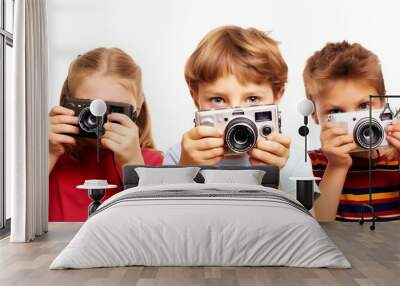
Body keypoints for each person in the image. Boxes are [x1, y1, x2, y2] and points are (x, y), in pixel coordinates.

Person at [164, 25, 316, 197]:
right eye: (218, 100)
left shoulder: (295, 159)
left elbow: (308, 221)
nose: (237, 118)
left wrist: (273, 176)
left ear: (277, 95)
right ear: (195, 98)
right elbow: (170, 221)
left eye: (252, 99)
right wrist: (186, 171)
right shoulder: (178, 156)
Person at [49, 47, 163, 222]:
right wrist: (43, 155)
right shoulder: (52, 160)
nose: (100, 121)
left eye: (115, 109)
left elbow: (159, 228)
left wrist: (133, 164)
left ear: (136, 109)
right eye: (90, 109)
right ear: (68, 104)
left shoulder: (156, 165)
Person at [303, 41, 400, 222]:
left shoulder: (396, 159)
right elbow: (320, 227)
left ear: (382, 104)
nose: (356, 123)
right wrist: (337, 166)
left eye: (364, 106)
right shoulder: (310, 165)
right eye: (337, 112)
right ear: (316, 116)